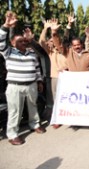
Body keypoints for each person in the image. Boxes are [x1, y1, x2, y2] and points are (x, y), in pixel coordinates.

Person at [0, 11, 46, 145]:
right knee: (15, 111)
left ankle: (35, 124)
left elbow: (37, 67)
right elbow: (1, 42)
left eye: (24, 40)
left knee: (33, 106)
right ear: (13, 43)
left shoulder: (32, 53)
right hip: (15, 86)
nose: (23, 42)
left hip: (31, 85)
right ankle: (13, 134)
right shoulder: (8, 52)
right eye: (19, 41)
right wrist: (5, 26)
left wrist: (39, 81)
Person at [39, 18, 68, 128]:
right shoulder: (50, 53)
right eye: (50, 41)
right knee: (56, 99)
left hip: (68, 77)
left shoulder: (65, 50)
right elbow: (41, 42)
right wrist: (45, 29)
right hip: (55, 78)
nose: (51, 43)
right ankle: (57, 118)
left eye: (53, 41)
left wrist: (66, 68)